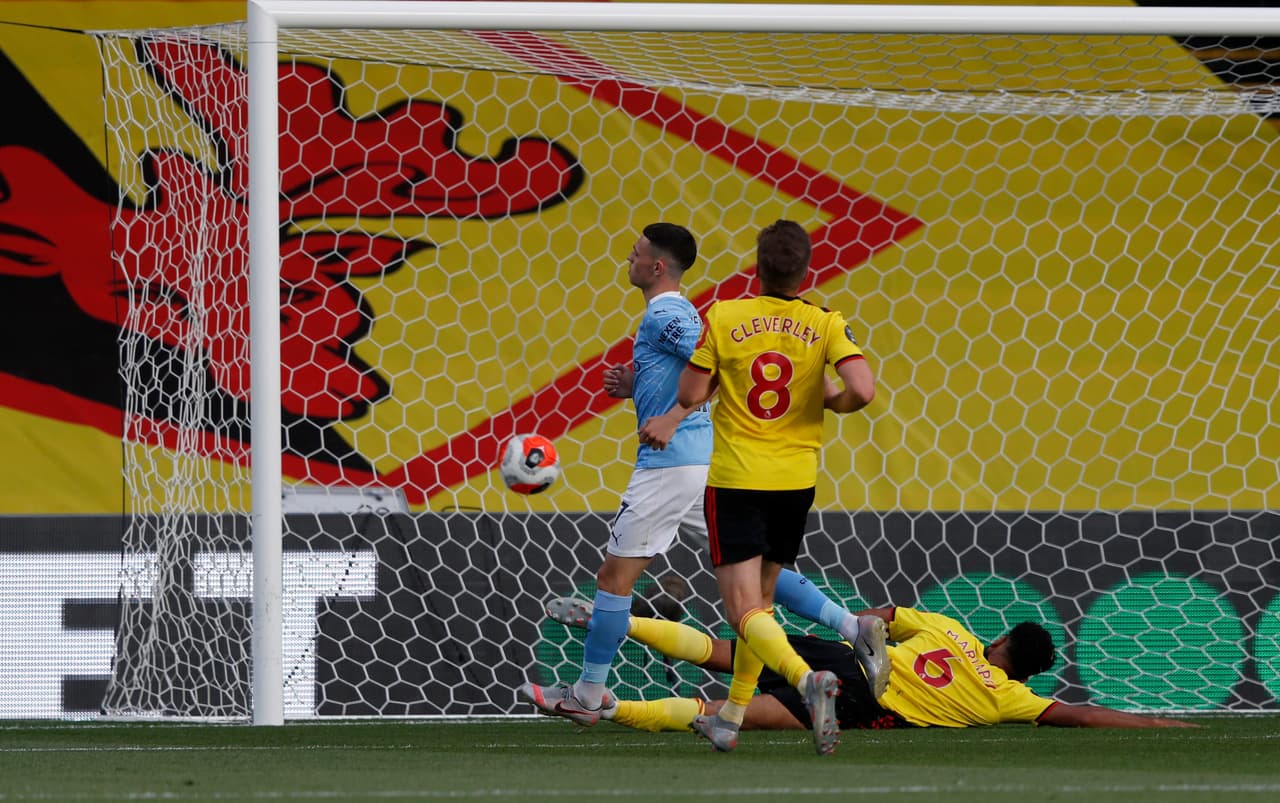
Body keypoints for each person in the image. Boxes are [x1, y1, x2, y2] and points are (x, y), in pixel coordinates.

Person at [671, 219, 876, 755]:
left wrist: (716, 378)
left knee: (742, 612)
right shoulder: (826, 322)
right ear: (806, 269)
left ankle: (807, 681)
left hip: (739, 478)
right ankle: (731, 718)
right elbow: (863, 390)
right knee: (760, 606)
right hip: (795, 482)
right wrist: (831, 402)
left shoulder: (725, 315)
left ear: (757, 266)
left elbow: (690, 393)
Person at [518, 222, 711, 726]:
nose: (629, 257)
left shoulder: (666, 312)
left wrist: (669, 418)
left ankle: (586, 696)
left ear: (657, 266)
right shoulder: (675, 310)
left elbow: (714, 364)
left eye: (637, 253)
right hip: (696, 461)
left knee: (613, 579)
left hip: (668, 467)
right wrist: (639, 382)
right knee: (747, 569)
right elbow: (693, 368)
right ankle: (843, 623)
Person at [539, 592, 1198, 734]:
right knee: (722, 714)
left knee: (721, 650)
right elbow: (1080, 715)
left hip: (843, 655)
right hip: (862, 701)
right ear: (1021, 668)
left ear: (998, 639)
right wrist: (1163, 727)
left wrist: (868, 634)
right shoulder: (1009, 699)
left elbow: (882, 615)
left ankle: (610, 620)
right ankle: (601, 707)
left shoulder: (951, 628)